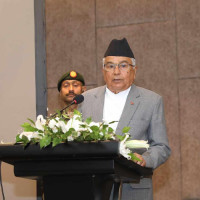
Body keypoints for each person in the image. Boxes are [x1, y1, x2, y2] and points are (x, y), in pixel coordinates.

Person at [78, 38, 171, 200]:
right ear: (103, 71)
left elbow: (162, 147)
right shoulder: (85, 100)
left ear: (134, 70)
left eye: (123, 66)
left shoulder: (151, 101)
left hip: (134, 186)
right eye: (110, 66)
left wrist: (146, 159)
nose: (116, 72)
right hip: (93, 187)